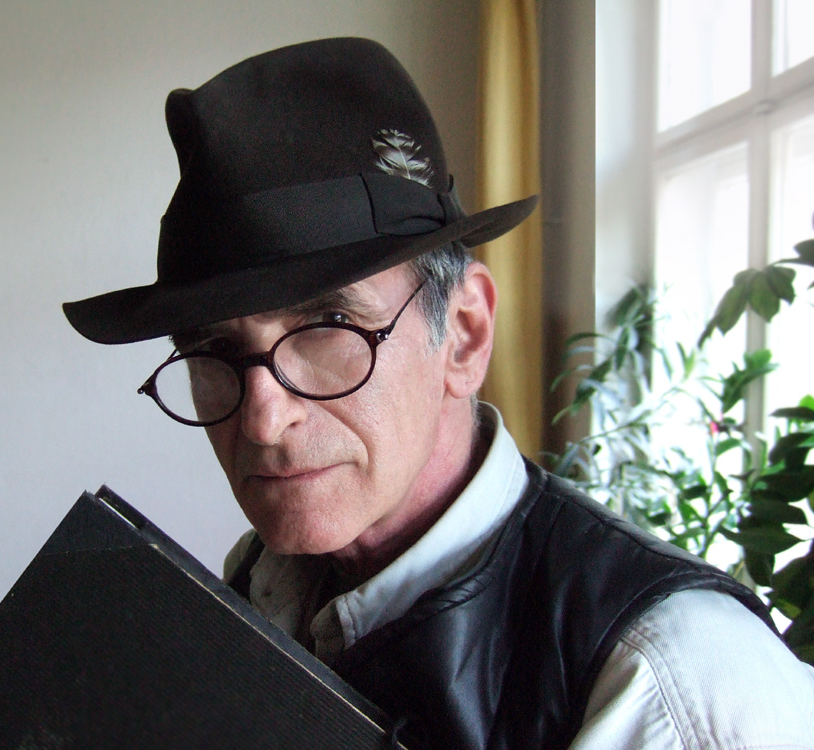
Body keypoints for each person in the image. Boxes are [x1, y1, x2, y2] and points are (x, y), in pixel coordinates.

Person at [63, 38, 814, 749]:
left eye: (329, 326)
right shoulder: (262, 576)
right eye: (214, 350)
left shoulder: (669, 678)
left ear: (463, 335)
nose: (263, 419)